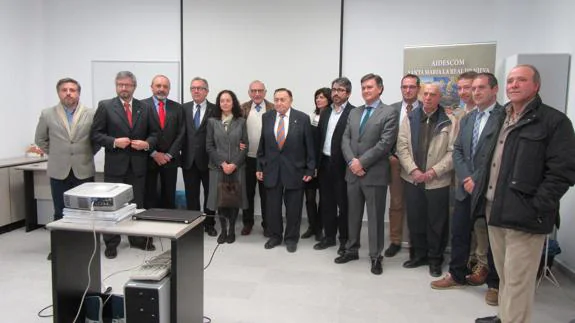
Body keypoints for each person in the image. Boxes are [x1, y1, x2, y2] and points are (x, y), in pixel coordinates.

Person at [474, 65, 575, 323]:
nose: (514, 85)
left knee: (519, 280)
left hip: (526, 214)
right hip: (495, 208)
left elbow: (562, 172)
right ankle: (505, 316)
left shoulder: (554, 121)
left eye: (521, 80)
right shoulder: (502, 117)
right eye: (510, 80)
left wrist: (537, 205)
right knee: (507, 275)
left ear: (536, 86)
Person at [431, 73, 501, 306]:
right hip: (465, 186)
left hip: (489, 189)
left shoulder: (503, 117)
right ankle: (457, 275)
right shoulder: (470, 118)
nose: (476, 92)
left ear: (495, 89)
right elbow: (459, 150)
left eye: (481, 87)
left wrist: (476, 179)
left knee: (492, 239)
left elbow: (495, 156)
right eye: (474, 88)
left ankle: (494, 284)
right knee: (460, 233)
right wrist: (466, 177)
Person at [334, 73, 399, 275]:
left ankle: (375, 256)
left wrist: (361, 162)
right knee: (352, 215)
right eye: (363, 88)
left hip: (374, 174)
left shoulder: (389, 112)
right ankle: (352, 249)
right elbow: (345, 139)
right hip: (352, 173)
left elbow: (385, 144)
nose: (365, 91)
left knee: (374, 218)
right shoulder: (354, 112)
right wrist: (352, 162)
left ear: (380, 89)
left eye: (370, 87)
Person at [91, 71, 157, 259]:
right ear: (116, 85)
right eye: (120, 84)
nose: (123, 88)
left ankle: (138, 240)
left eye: (127, 85)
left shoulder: (144, 107)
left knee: (137, 204)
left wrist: (147, 144)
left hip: (138, 166)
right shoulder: (105, 106)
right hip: (115, 167)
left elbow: (154, 134)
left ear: (134, 87)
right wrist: (113, 141)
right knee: (112, 207)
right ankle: (111, 243)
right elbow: (95, 134)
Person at [396, 83, 457, 277]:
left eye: (433, 94)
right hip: (413, 178)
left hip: (437, 181)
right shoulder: (410, 118)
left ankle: (435, 259)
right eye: (426, 94)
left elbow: (453, 152)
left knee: (436, 222)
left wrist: (432, 171)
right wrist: (413, 170)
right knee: (415, 219)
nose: (429, 97)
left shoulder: (450, 120)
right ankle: (418, 255)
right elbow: (402, 146)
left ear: (440, 98)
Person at [34, 78, 97, 260]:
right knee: (59, 210)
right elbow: (40, 140)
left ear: (78, 93)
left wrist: (85, 154)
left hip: (83, 169)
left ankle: (83, 247)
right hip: (58, 169)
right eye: (64, 90)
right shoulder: (47, 114)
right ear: (58, 92)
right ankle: (59, 248)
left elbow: (96, 140)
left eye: (72, 90)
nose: (68, 93)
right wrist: (56, 154)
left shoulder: (91, 113)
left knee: (85, 211)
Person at [256, 88, 315, 253]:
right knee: (272, 208)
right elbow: (263, 144)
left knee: (293, 208)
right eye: (276, 100)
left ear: (290, 100)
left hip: (295, 171)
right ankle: (275, 236)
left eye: (283, 99)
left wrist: (310, 170)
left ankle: (291, 238)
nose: (279, 103)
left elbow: (309, 146)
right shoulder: (267, 117)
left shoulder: (302, 118)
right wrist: (260, 166)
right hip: (272, 170)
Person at [315, 78, 355, 254]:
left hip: (342, 166)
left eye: (340, 90)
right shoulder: (325, 113)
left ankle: (344, 240)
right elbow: (319, 139)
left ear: (348, 93)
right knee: (326, 202)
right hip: (324, 163)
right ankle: (329, 237)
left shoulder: (354, 113)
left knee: (344, 205)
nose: (336, 93)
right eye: (334, 90)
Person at [385, 74, 422, 258]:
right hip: (395, 163)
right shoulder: (392, 109)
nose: (408, 90)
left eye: (412, 87)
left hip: (418, 166)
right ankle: (395, 240)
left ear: (418, 89)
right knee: (396, 204)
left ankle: (416, 242)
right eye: (404, 87)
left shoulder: (426, 109)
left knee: (416, 206)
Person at [206, 90, 249, 244]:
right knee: (220, 201)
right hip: (218, 167)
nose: (225, 103)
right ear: (219, 103)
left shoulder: (241, 121)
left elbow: (246, 145)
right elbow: (209, 146)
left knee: (233, 200)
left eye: (228, 100)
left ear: (233, 102)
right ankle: (223, 230)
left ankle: (231, 230)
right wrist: (223, 164)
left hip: (237, 168)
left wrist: (234, 164)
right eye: (222, 100)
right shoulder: (212, 121)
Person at [142, 75, 184, 210]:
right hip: (148, 158)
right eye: (158, 86)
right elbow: (139, 133)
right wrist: (154, 153)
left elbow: (181, 134)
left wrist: (169, 155)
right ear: (151, 87)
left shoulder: (177, 108)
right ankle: (150, 224)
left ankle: (169, 225)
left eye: (165, 86)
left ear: (169, 89)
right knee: (149, 195)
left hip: (170, 160)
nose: (162, 89)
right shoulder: (141, 106)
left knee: (169, 195)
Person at [181, 77, 217, 236]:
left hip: (210, 161)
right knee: (191, 195)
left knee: (210, 195)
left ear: (207, 91)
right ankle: (194, 224)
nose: (196, 91)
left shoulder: (216, 109)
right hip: (189, 159)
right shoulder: (184, 108)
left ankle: (209, 223)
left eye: (200, 88)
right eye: (193, 88)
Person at [240, 80, 274, 236]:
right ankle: (248, 222)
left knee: (266, 194)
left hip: (266, 160)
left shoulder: (273, 108)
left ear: (265, 92)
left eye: (260, 90)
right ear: (249, 93)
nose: (257, 94)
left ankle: (267, 224)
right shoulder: (242, 108)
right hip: (247, 159)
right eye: (253, 90)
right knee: (247, 193)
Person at [301, 87, 331, 241]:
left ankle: (320, 227)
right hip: (310, 164)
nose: (319, 100)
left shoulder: (332, 116)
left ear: (329, 99)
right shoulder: (312, 116)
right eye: (317, 97)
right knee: (310, 198)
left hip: (325, 164)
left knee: (325, 199)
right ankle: (312, 226)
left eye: (322, 97)